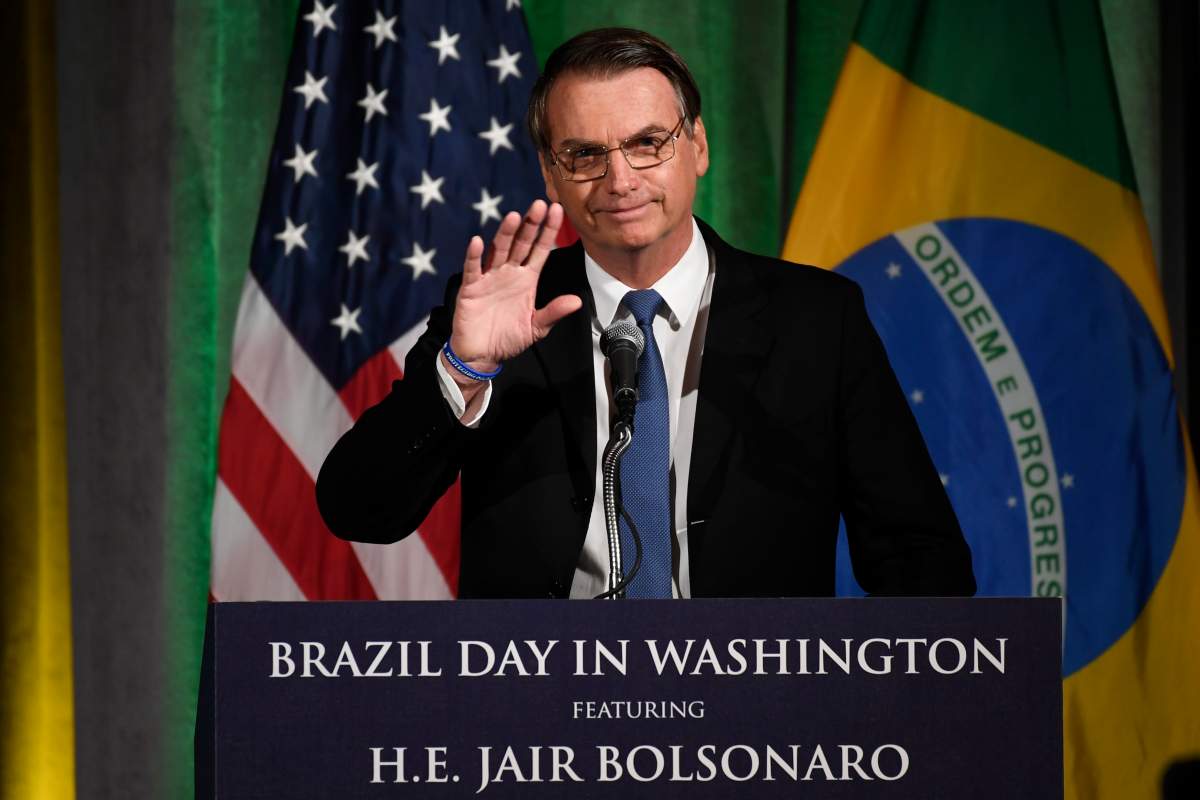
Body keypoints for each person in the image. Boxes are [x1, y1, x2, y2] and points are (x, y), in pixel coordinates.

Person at [315, 28, 976, 599]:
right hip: (537, 716)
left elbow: (921, 558)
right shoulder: (500, 309)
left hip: (758, 710)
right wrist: (463, 371)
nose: (620, 180)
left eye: (647, 143)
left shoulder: (816, 320)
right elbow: (358, 510)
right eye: (584, 155)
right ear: (550, 174)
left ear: (699, 148)